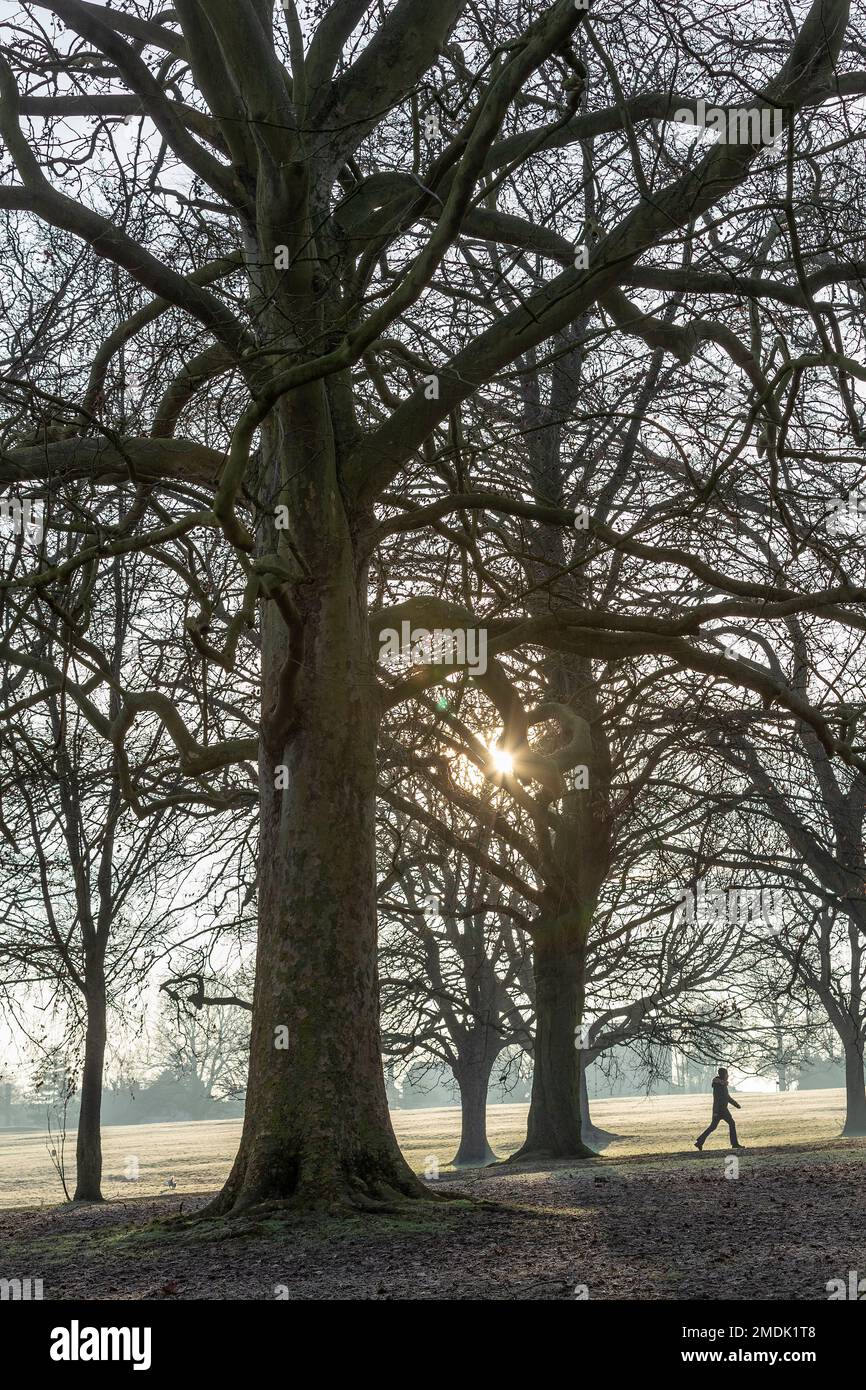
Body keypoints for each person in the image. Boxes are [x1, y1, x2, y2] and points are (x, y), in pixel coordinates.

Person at [695, 1067, 745, 1151]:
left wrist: (735, 1104)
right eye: (726, 1074)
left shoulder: (722, 1085)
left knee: (713, 1127)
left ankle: (699, 1142)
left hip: (720, 1110)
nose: (728, 1075)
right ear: (723, 1075)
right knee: (731, 1123)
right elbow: (718, 1099)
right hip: (721, 1110)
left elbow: (727, 1097)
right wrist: (716, 1112)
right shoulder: (719, 1086)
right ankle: (734, 1143)